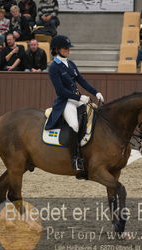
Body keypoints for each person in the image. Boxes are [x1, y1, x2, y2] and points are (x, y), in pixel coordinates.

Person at [45, 35, 104, 171]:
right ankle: (75, 158)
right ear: (57, 49)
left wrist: (96, 92)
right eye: (66, 48)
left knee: (92, 117)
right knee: (74, 125)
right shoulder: (54, 67)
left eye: (68, 48)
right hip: (66, 102)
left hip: (77, 99)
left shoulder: (70, 64)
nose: (68, 51)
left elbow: (82, 81)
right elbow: (60, 91)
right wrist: (79, 98)